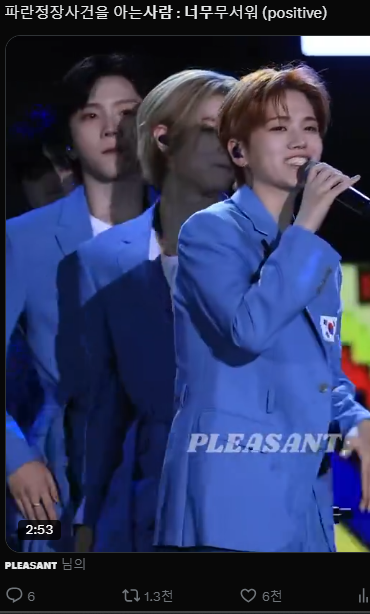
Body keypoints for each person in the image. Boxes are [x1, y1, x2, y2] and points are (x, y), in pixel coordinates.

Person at [155, 64, 370, 552]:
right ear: (238, 151)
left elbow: (321, 374)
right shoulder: (209, 232)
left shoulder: (318, 257)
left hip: (302, 503)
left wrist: (357, 419)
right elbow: (248, 330)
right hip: (227, 503)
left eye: (310, 128)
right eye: (280, 128)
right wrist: (307, 224)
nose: (300, 141)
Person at [75, 69, 237, 551]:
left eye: (238, 132)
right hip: (147, 511)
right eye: (211, 130)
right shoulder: (103, 260)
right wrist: (86, 517)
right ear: (164, 139)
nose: (230, 146)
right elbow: (100, 406)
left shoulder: (277, 254)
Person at [5, 53, 153, 552]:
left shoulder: (198, 231)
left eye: (128, 112)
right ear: (69, 139)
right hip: (63, 487)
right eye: (92, 115)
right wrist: (16, 459)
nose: (112, 128)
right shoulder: (24, 240)